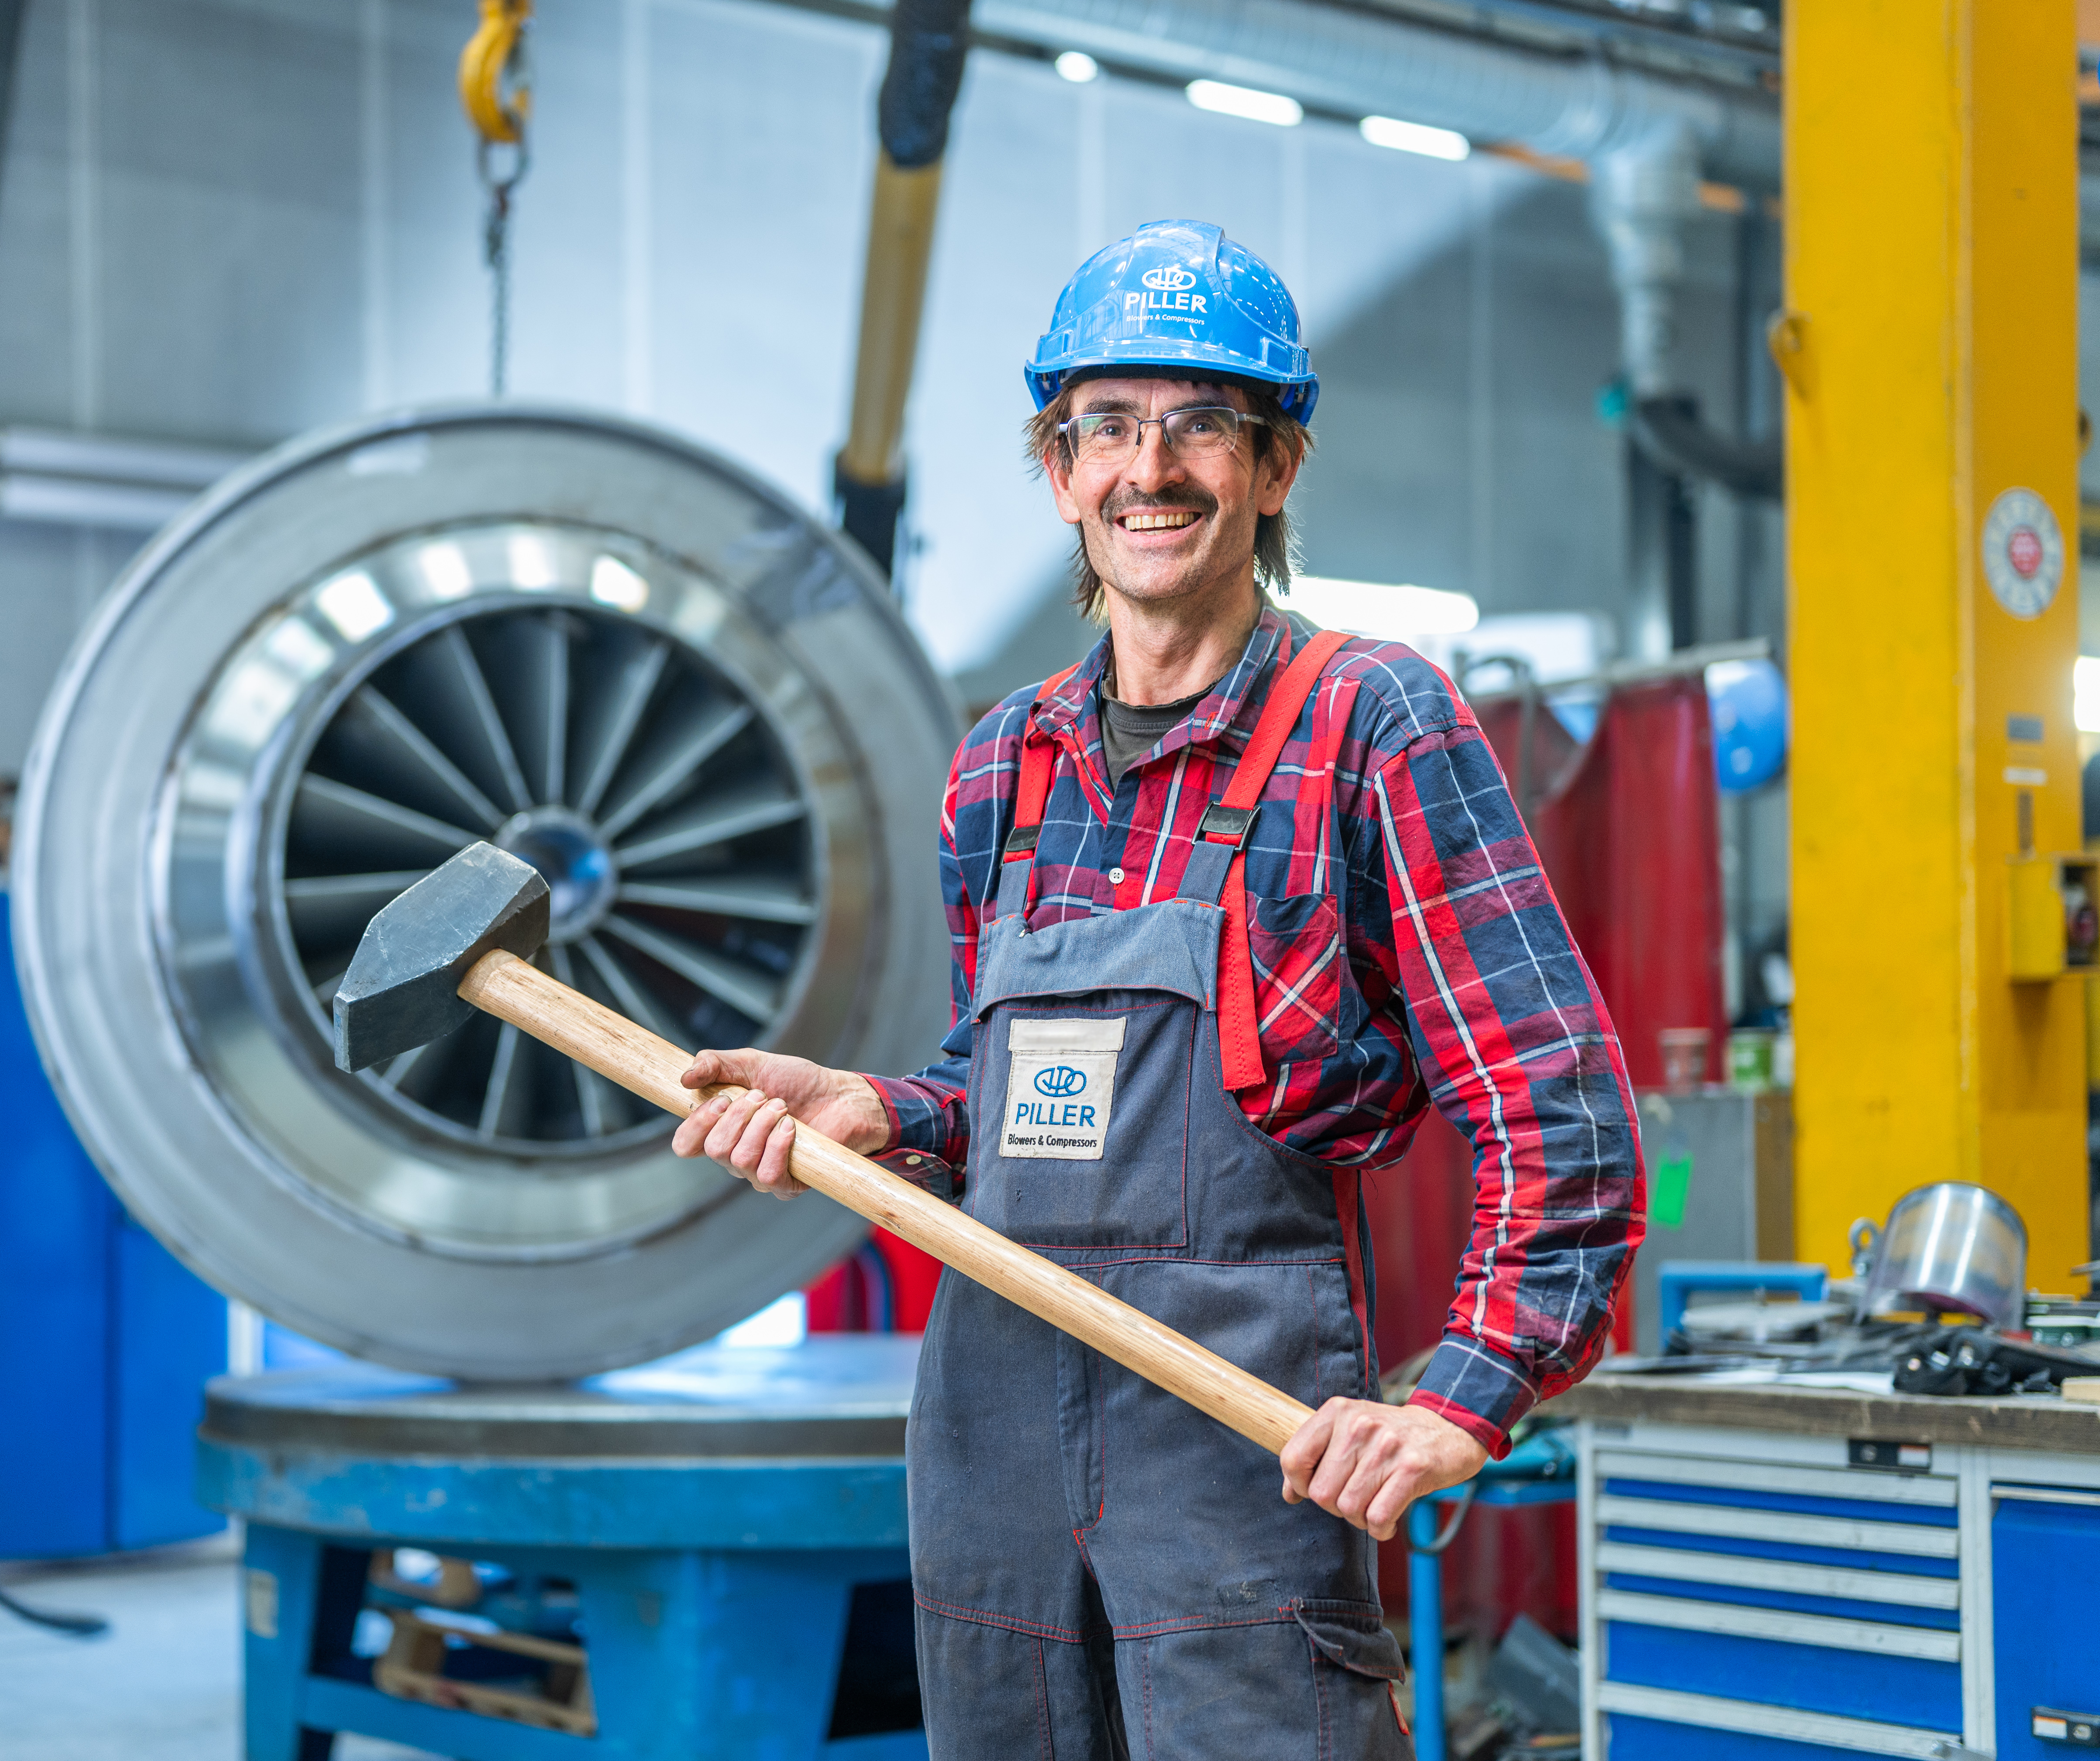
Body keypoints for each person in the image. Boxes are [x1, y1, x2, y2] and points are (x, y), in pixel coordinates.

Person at [671, 218, 1643, 1757]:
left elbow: (1561, 1110)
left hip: (1238, 1462)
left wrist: (1463, 1391)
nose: (1153, 467)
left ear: (1277, 466)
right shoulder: (1004, 761)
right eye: (1108, 425)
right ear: (1058, 470)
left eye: (1203, 423)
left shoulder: (1374, 723)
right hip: (991, 1454)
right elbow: (1020, 1104)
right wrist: (876, 1106)